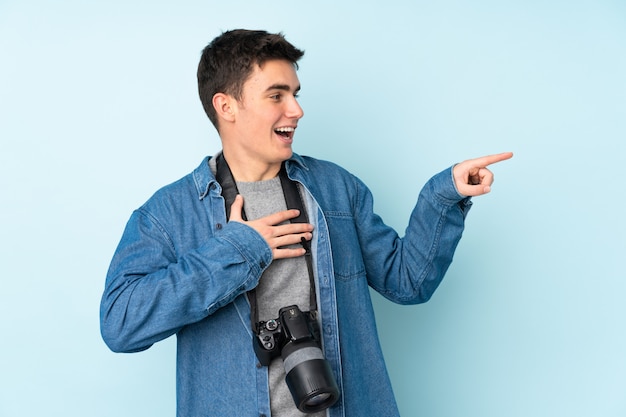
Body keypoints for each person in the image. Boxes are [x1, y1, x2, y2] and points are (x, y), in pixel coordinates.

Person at [99, 29, 513, 417]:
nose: (296, 110)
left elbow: (407, 282)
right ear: (226, 106)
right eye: (276, 95)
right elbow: (120, 325)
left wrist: (443, 196)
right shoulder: (169, 214)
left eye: (295, 94)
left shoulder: (335, 189)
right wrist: (238, 250)